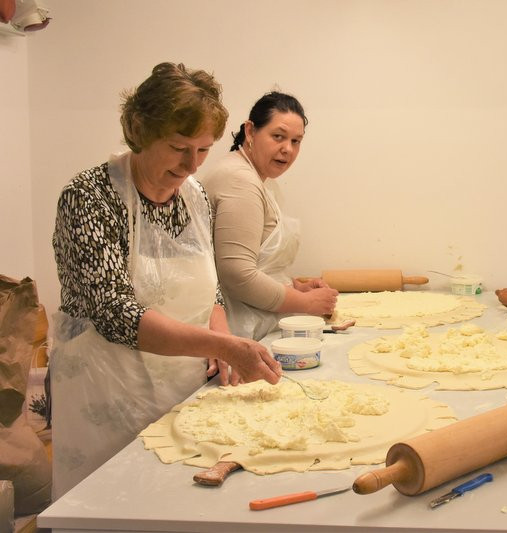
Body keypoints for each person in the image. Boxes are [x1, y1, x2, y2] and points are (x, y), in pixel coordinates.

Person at [50, 62, 282, 499]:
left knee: (175, 500)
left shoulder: (193, 197)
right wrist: (222, 345)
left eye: (203, 150)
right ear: (140, 132)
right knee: (112, 504)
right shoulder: (90, 196)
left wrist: (220, 332)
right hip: (106, 391)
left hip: (183, 386)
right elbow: (116, 314)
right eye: (178, 147)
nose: (191, 165)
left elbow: (208, 282)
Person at [201, 92, 338, 341]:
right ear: (250, 131)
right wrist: (306, 303)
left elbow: (260, 263)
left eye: (296, 141)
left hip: (257, 321)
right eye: (278, 137)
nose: (287, 149)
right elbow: (237, 276)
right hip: (239, 327)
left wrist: (295, 287)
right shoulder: (238, 180)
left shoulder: (260, 179)